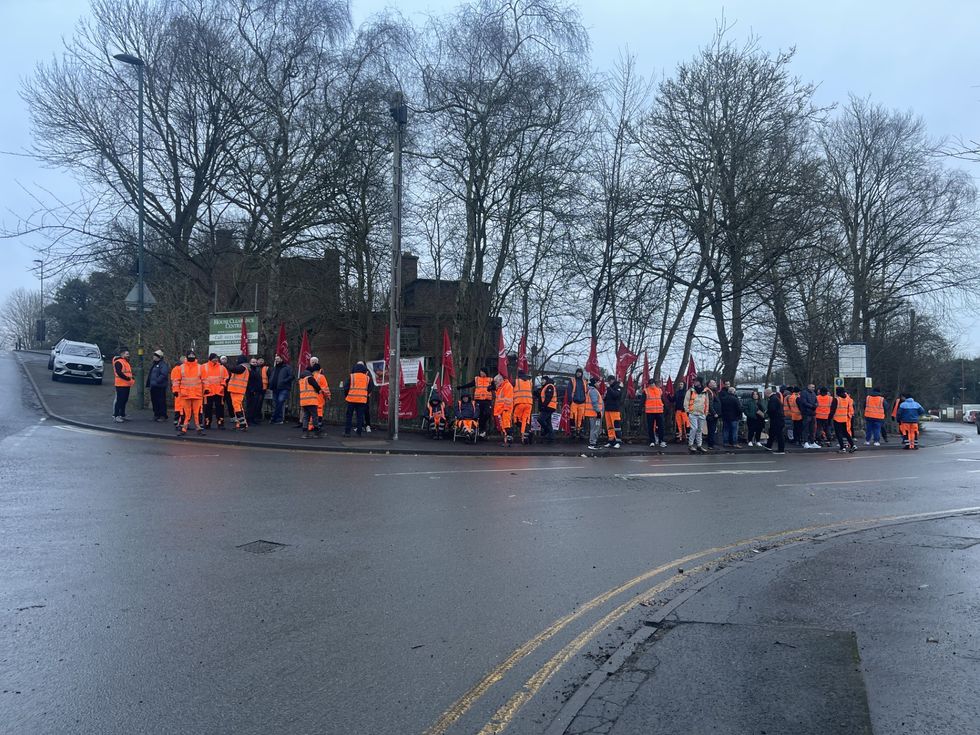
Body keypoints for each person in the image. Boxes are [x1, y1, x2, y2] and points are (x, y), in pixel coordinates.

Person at [174, 351, 205, 435]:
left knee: (198, 413)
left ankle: (199, 429)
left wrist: (206, 389)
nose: (191, 357)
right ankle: (183, 429)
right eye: (190, 355)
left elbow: (205, 380)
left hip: (196, 394)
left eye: (193, 355)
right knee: (185, 413)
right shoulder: (181, 367)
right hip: (186, 394)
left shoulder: (200, 367)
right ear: (187, 357)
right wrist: (175, 390)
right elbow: (176, 380)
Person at [457, 369, 494, 437]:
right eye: (480, 372)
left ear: (486, 372)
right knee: (478, 415)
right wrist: (461, 387)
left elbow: (495, 387)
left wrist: (492, 387)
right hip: (478, 400)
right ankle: (479, 430)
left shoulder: (490, 380)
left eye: (483, 372)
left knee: (487, 414)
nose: (481, 373)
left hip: (487, 400)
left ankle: (483, 429)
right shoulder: (477, 379)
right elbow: (470, 384)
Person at [298, 361, 327, 438]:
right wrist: (319, 391)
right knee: (315, 416)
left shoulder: (301, 380)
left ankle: (304, 433)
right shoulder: (310, 378)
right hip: (311, 400)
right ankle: (316, 432)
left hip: (303, 401)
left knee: (306, 416)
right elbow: (317, 387)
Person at [343, 361, 371, 437]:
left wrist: (346, 396)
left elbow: (346, 387)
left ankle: (347, 432)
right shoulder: (367, 378)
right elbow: (370, 388)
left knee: (349, 416)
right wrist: (365, 394)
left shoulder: (352, 376)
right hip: (362, 400)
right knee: (360, 416)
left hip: (351, 399)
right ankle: (359, 432)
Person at [202, 353, 229, 430]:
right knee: (207, 408)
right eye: (214, 358)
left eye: (216, 358)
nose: (216, 359)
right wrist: (206, 388)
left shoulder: (222, 367)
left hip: (219, 391)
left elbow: (226, 377)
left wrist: (223, 385)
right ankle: (207, 423)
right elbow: (202, 379)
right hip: (208, 391)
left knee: (220, 408)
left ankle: (220, 423)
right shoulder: (204, 367)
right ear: (210, 359)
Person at [684, 378, 710, 454]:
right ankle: (691, 444)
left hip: (701, 413)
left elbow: (707, 402)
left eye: (696, 381)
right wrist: (687, 411)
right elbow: (686, 401)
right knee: (694, 429)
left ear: (700, 382)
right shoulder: (691, 391)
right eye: (694, 381)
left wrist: (706, 412)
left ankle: (699, 445)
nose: (695, 382)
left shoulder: (705, 391)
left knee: (700, 430)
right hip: (693, 413)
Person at [226, 356, 250, 431]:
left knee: (237, 407)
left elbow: (234, 369)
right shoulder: (243, 368)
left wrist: (226, 364)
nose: (236, 360)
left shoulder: (242, 367)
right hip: (236, 390)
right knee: (238, 407)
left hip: (238, 390)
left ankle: (242, 424)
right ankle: (240, 423)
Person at [268, 354, 294, 424]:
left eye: (278, 359)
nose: (276, 360)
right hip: (274, 388)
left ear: (282, 359)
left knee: (280, 402)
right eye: (276, 359)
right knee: (275, 403)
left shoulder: (287, 367)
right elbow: (271, 376)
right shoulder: (274, 368)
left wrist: (284, 381)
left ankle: (274, 418)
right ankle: (278, 419)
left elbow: (291, 376)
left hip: (283, 388)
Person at [146, 349, 170, 422]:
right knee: (155, 401)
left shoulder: (163, 365)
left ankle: (162, 415)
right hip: (154, 386)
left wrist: (157, 381)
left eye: (155, 356)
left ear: (159, 357)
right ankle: (156, 414)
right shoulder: (155, 364)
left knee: (161, 401)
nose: (153, 357)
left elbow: (164, 374)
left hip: (160, 386)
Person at [643, 377, 666, 448]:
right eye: (650, 384)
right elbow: (642, 400)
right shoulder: (646, 391)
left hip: (659, 411)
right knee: (650, 427)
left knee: (661, 427)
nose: (651, 385)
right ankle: (652, 441)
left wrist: (666, 408)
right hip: (650, 412)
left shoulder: (659, 390)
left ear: (654, 384)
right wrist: (640, 409)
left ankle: (661, 440)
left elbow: (662, 400)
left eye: (652, 384)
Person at [112, 349, 134, 422]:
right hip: (120, 384)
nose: (128, 355)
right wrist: (127, 378)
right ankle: (116, 415)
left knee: (124, 400)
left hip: (126, 384)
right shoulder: (118, 362)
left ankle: (122, 414)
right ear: (122, 354)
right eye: (127, 354)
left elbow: (127, 372)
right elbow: (119, 372)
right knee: (120, 400)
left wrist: (131, 378)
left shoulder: (125, 362)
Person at [833, 387, 857, 453]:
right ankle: (852, 445)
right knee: (846, 432)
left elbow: (833, 410)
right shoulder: (847, 399)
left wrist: (829, 418)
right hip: (844, 418)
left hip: (837, 419)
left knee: (838, 434)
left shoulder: (837, 399)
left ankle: (842, 447)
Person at [513, 372, 534, 443]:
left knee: (516, 420)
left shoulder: (516, 381)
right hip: (529, 403)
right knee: (525, 420)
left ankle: (526, 433)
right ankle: (526, 434)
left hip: (519, 403)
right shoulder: (529, 382)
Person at [493, 374, 514, 446]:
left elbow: (507, 399)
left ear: (500, 380)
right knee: (504, 426)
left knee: (506, 425)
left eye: (496, 382)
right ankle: (506, 440)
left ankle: (508, 440)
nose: (495, 383)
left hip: (505, 409)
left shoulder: (507, 386)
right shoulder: (501, 387)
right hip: (502, 410)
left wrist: (505, 409)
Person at [567, 368, 588, 439]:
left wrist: (585, 400)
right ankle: (573, 432)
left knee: (581, 417)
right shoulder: (572, 380)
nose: (579, 373)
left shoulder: (584, 381)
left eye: (580, 372)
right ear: (576, 373)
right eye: (578, 372)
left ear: (582, 374)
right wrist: (570, 400)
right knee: (573, 417)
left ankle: (580, 432)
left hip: (582, 402)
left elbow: (586, 391)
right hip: (574, 402)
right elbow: (569, 390)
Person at [603, 375, 623, 448]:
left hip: (615, 409)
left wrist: (608, 388)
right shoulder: (609, 388)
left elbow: (616, 395)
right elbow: (607, 398)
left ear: (613, 380)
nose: (609, 382)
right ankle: (611, 441)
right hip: (608, 409)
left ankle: (618, 441)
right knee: (609, 427)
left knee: (616, 426)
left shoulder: (618, 386)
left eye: (610, 380)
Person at [764, 387, 785, 454]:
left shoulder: (773, 399)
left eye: (765, 393)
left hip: (777, 419)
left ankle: (781, 449)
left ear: (767, 393)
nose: (764, 395)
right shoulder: (775, 398)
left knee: (779, 434)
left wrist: (767, 412)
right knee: (772, 432)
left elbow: (772, 409)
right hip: (777, 419)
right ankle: (768, 446)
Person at [585, 377, 603, 450]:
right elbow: (595, 403)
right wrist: (598, 412)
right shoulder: (593, 391)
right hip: (595, 413)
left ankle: (593, 442)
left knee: (594, 428)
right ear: (594, 383)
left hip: (593, 413)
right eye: (598, 382)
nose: (599, 384)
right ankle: (593, 443)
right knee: (595, 428)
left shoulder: (591, 390)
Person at [798, 384, 818, 448]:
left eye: (814, 387)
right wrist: (812, 406)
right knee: (805, 428)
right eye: (812, 387)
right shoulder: (804, 393)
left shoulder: (813, 393)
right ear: (808, 387)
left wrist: (816, 405)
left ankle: (812, 442)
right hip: (806, 413)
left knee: (812, 429)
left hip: (812, 413)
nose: (813, 388)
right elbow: (804, 402)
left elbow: (816, 401)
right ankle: (805, 442)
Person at [246, 357, 265, 425]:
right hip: (251, 391)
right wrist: (251, 389)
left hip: (257, 390)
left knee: (255, 406)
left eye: (255, 362)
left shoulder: (256, 370)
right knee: (250, 406)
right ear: (250, 363)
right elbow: (248, 381)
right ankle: (249, 420)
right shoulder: (249, 370)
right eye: (253, 362)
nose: (255, 363)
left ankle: (253, 419)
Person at [538, 376, 557, 443]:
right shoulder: (546, 386)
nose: (542, 381)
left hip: (548, 407)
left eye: (543, 380)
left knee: (540, 419)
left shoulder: (549, 386)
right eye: (541, 380)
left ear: (546, 380)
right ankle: (551, 437)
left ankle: (547, 430)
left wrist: (543, 406)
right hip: (549, 407)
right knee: (548, 422)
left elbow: (548, 397)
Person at [170, 356, 185, 430]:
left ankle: (178, 422)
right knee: (180, 408)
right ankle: (178, 423)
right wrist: (176, 391)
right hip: (179, 391)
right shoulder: (178, 369)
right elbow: (175, 381)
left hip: (179, 391)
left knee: (179, 408)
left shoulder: (177, 368)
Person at [705, 379, 721, 448]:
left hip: (714, 414)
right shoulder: (709, 392)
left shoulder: (713, 391)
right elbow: (709, 404)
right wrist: (714, 413)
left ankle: (712, 444)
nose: (715, 383)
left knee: (713, 429)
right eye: (713, 382)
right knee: (711, 430)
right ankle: (711, 445)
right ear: (709, 384)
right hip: (711, 415)